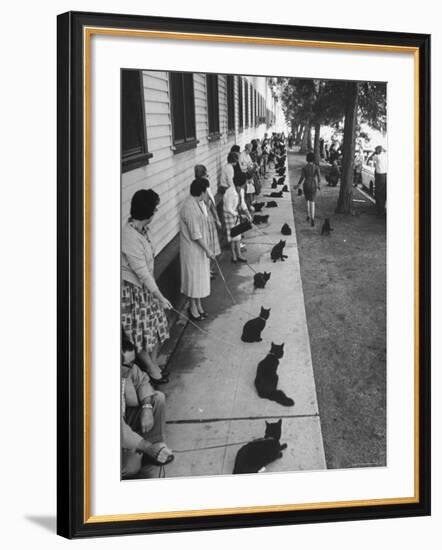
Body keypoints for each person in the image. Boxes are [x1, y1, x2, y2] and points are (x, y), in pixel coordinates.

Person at [122, 189, 172, 385]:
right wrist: (160, 296)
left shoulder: (143, 230)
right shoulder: (129, 237)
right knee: (141, 334)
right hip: (134, 292)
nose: (157, 210)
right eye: (155, 207)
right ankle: (152, 369)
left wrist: (156, 294)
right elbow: (141, 272)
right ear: (148, 211)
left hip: (147, 287)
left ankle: (153, 365)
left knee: (159, 327)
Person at [121, 333, 174, 479]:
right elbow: (120, 431)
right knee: (131, 469)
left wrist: (146, 408)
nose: (132, 367)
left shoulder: (128, 369)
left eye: (133, 363)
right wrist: (147, 447)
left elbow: (143, 380)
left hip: (126, 416)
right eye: (128, 364)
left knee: (158, 398)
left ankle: (153, 449)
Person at [179, 177, 214, 321]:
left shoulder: (197, 203)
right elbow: (195, 234)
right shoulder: (189, 207)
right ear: (202, 191)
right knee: (193, 279)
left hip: (199, 249)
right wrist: (208, 250)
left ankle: (199, 305)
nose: (207, 193)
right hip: (192, 250)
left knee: (199, 278)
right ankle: (192, 308)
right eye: (206, 191)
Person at [194, 165, 221, 279]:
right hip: (204, 220)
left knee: (212, 246)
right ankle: (207, 272)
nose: (208, 176)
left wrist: (217, 219)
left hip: (209, 218)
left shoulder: (206, 186)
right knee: (208, 245)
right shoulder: (198, 189)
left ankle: (209, 269)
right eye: (205, 174)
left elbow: (212, 204)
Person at [223, 171, 252, 263]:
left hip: (236, 213)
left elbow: (242, 203)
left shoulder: (241, 190)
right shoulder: (230, 192)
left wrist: (248, 214)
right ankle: (234, 255)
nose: (246, 183)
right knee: (233, 235)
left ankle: (239, 254)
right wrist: (239, 215)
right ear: (241, 183)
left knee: (238, 236)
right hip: (229, 214)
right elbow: (228, 208)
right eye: (245, 182)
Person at [295, 152, 321, 227]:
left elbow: (302, 177)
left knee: (307, 201)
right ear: (313, 159)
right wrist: (319, 184)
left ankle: (308, 215)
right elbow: (319, 177)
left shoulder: (304, 167)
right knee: (312, 201)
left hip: (306, 184)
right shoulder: (316, 167)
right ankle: (312, 218)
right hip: (313, 184)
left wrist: (298, 184)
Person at [368, 145, 387, 215]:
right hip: (385, 175)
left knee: (378, 193)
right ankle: (382, 209)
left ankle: (380, 210)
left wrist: (374, 153)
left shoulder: (377, 156)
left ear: (377, 151)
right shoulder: (385, 156)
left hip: (380, 176)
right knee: (383, 192)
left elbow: (369, 158)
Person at [239, 143, 256, 208]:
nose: (250, 151)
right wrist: (248, 167)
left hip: (249, 173)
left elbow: (250, 162)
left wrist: (253, 165)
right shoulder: (241, 156)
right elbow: (241, 167)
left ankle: (251, 202)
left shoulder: (248, 155)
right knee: (247, 189)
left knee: (251, 188)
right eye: (250, 150)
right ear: (247, 149)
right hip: (244, 174)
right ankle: (248, 204)